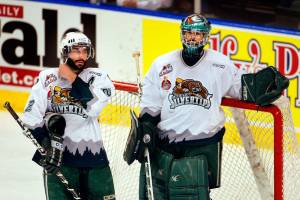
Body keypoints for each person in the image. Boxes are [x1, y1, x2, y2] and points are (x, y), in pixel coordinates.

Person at [134, 14, 289, 200]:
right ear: (182, 34)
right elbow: (151, 103)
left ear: (206, 36)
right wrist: (147, 125)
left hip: (201, 147)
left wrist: (259, 85)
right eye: (188, 32)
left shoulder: (220, 64)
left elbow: (241, 88)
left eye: (198, 34)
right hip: (165, 144)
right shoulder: (162, 64)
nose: (192, 37)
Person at [23, 31, 115, 200]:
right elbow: (30, 117)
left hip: (94, 160)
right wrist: (45, 145)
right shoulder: (47, 78)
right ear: (65, 52)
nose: (81, 55)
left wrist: (72, 77)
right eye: (76, 50)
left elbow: (93, 108)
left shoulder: (99, 77)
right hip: (59, 161)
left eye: (85, 50)